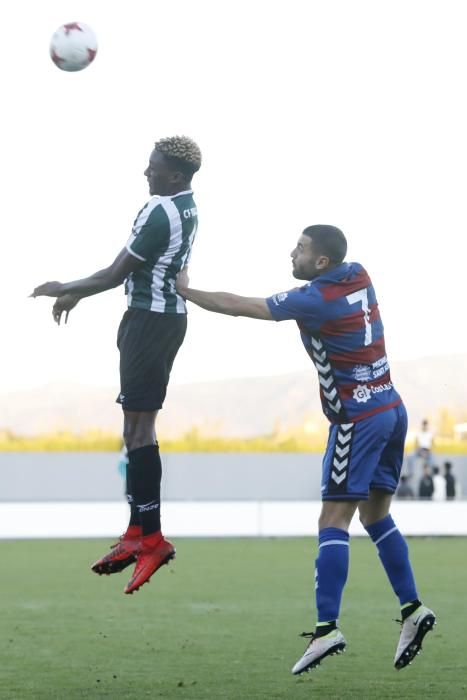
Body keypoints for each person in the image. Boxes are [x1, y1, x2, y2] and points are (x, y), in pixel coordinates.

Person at [175, 224, 436, 673]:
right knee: (375, 515)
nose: (290, 254)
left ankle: (326, 628)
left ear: (321, 262)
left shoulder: (314, 299)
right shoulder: (358, 273)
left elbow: (239, 306)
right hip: (392, 407)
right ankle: (413, 609)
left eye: (299, 249)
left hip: (358, 419)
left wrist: (187, 291)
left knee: (333, 520)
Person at [31, 135, 202, 595]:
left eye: (154, 167)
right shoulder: (186, 205)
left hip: (150, 322)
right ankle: (136, 533)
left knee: (140, 432)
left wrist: (66, 287)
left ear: (176, 175)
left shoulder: (160, 211)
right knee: (135, 432)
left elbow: (114, 273)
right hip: (160, 321)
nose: (146, 173)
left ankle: (152, 539)